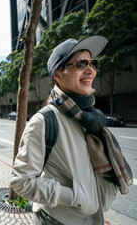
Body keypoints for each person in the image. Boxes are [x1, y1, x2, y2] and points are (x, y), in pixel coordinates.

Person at [10, 36, 133, 225]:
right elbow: (21, 182)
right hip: (57, 220)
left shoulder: (91, 118)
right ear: (58, 74)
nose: (90, 70)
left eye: (93, 63)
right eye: (81, 64)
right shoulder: (44, 121)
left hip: (95, 218)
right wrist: (74, 197)